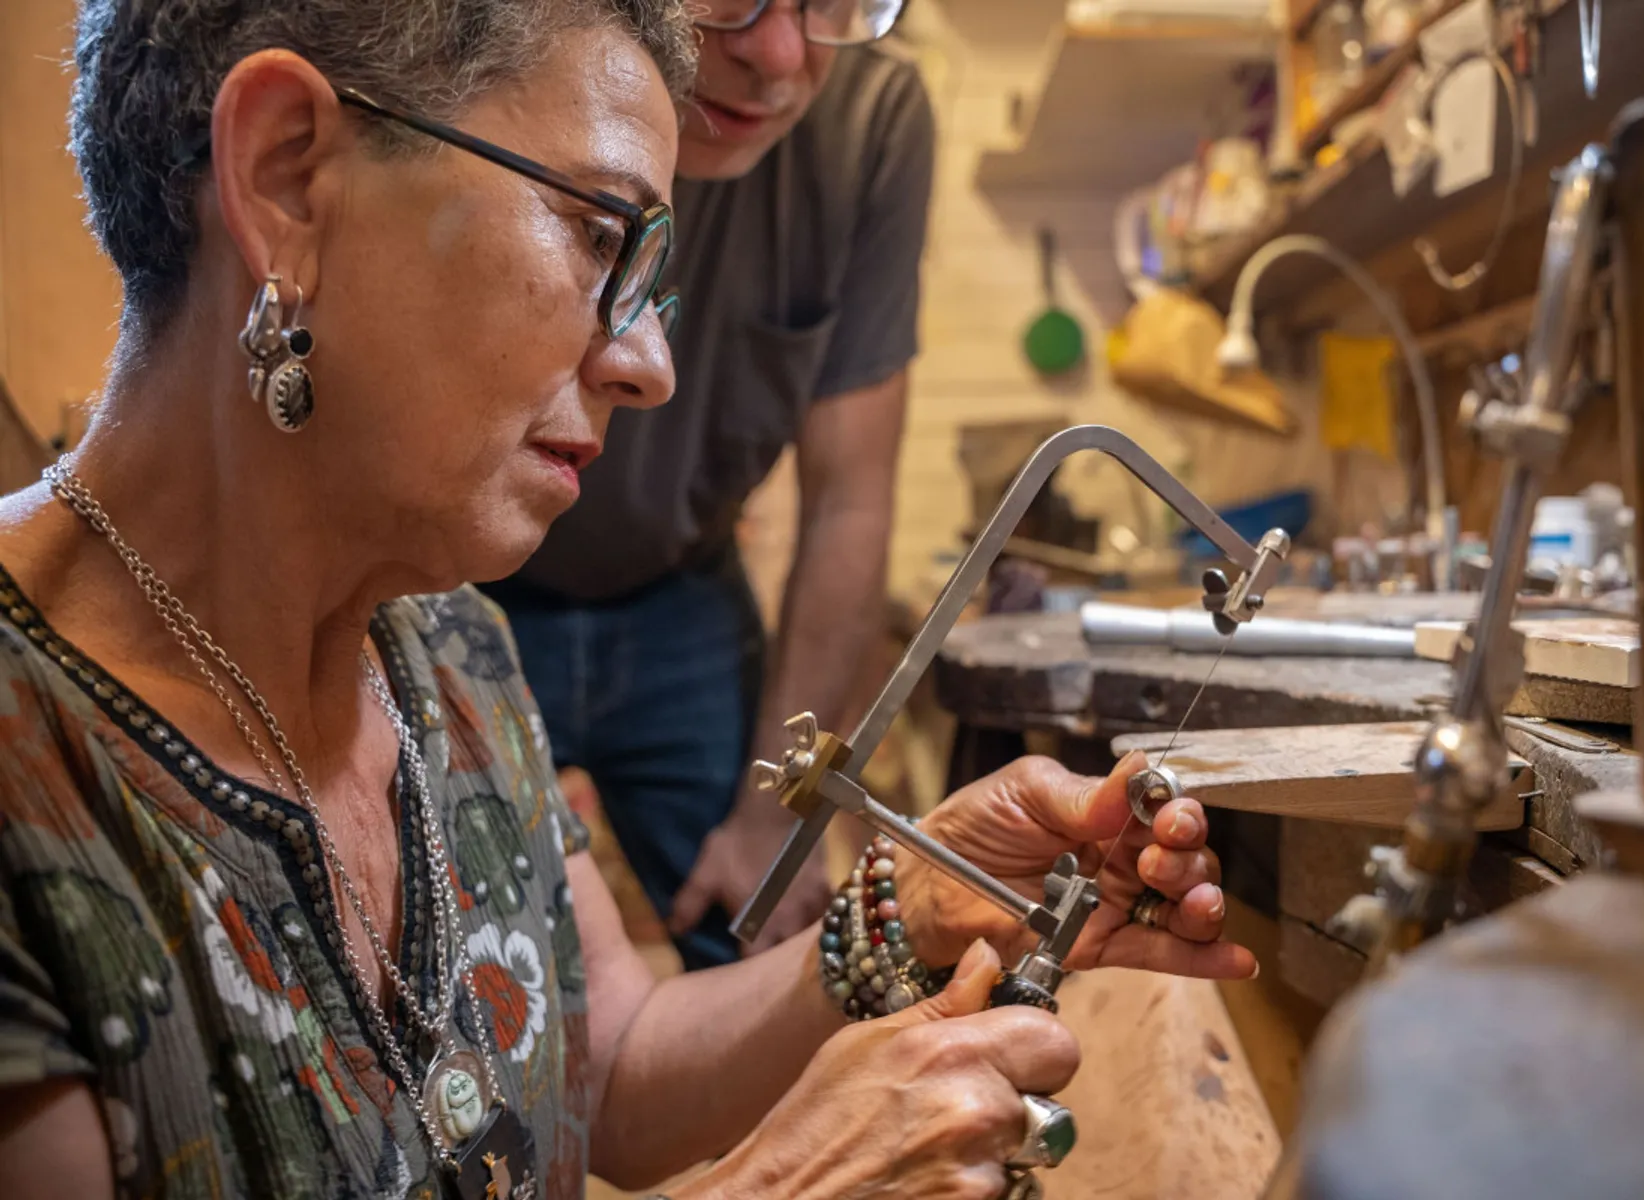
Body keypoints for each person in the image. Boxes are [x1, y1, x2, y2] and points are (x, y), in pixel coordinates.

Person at [0, 1, 1254, 1196]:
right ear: (287, 177)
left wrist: (905, 909)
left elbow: (608, 1066)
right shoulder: (32, 781)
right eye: (598, 235)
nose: (650, 364)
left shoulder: (453, 653)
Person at [483, 0, 931, 968]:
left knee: (767, 933)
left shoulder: (869, 122)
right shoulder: (494, 54)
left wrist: (780, 813)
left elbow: (851, 503)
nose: (777, 56)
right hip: (460, 579)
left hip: (683, 592)